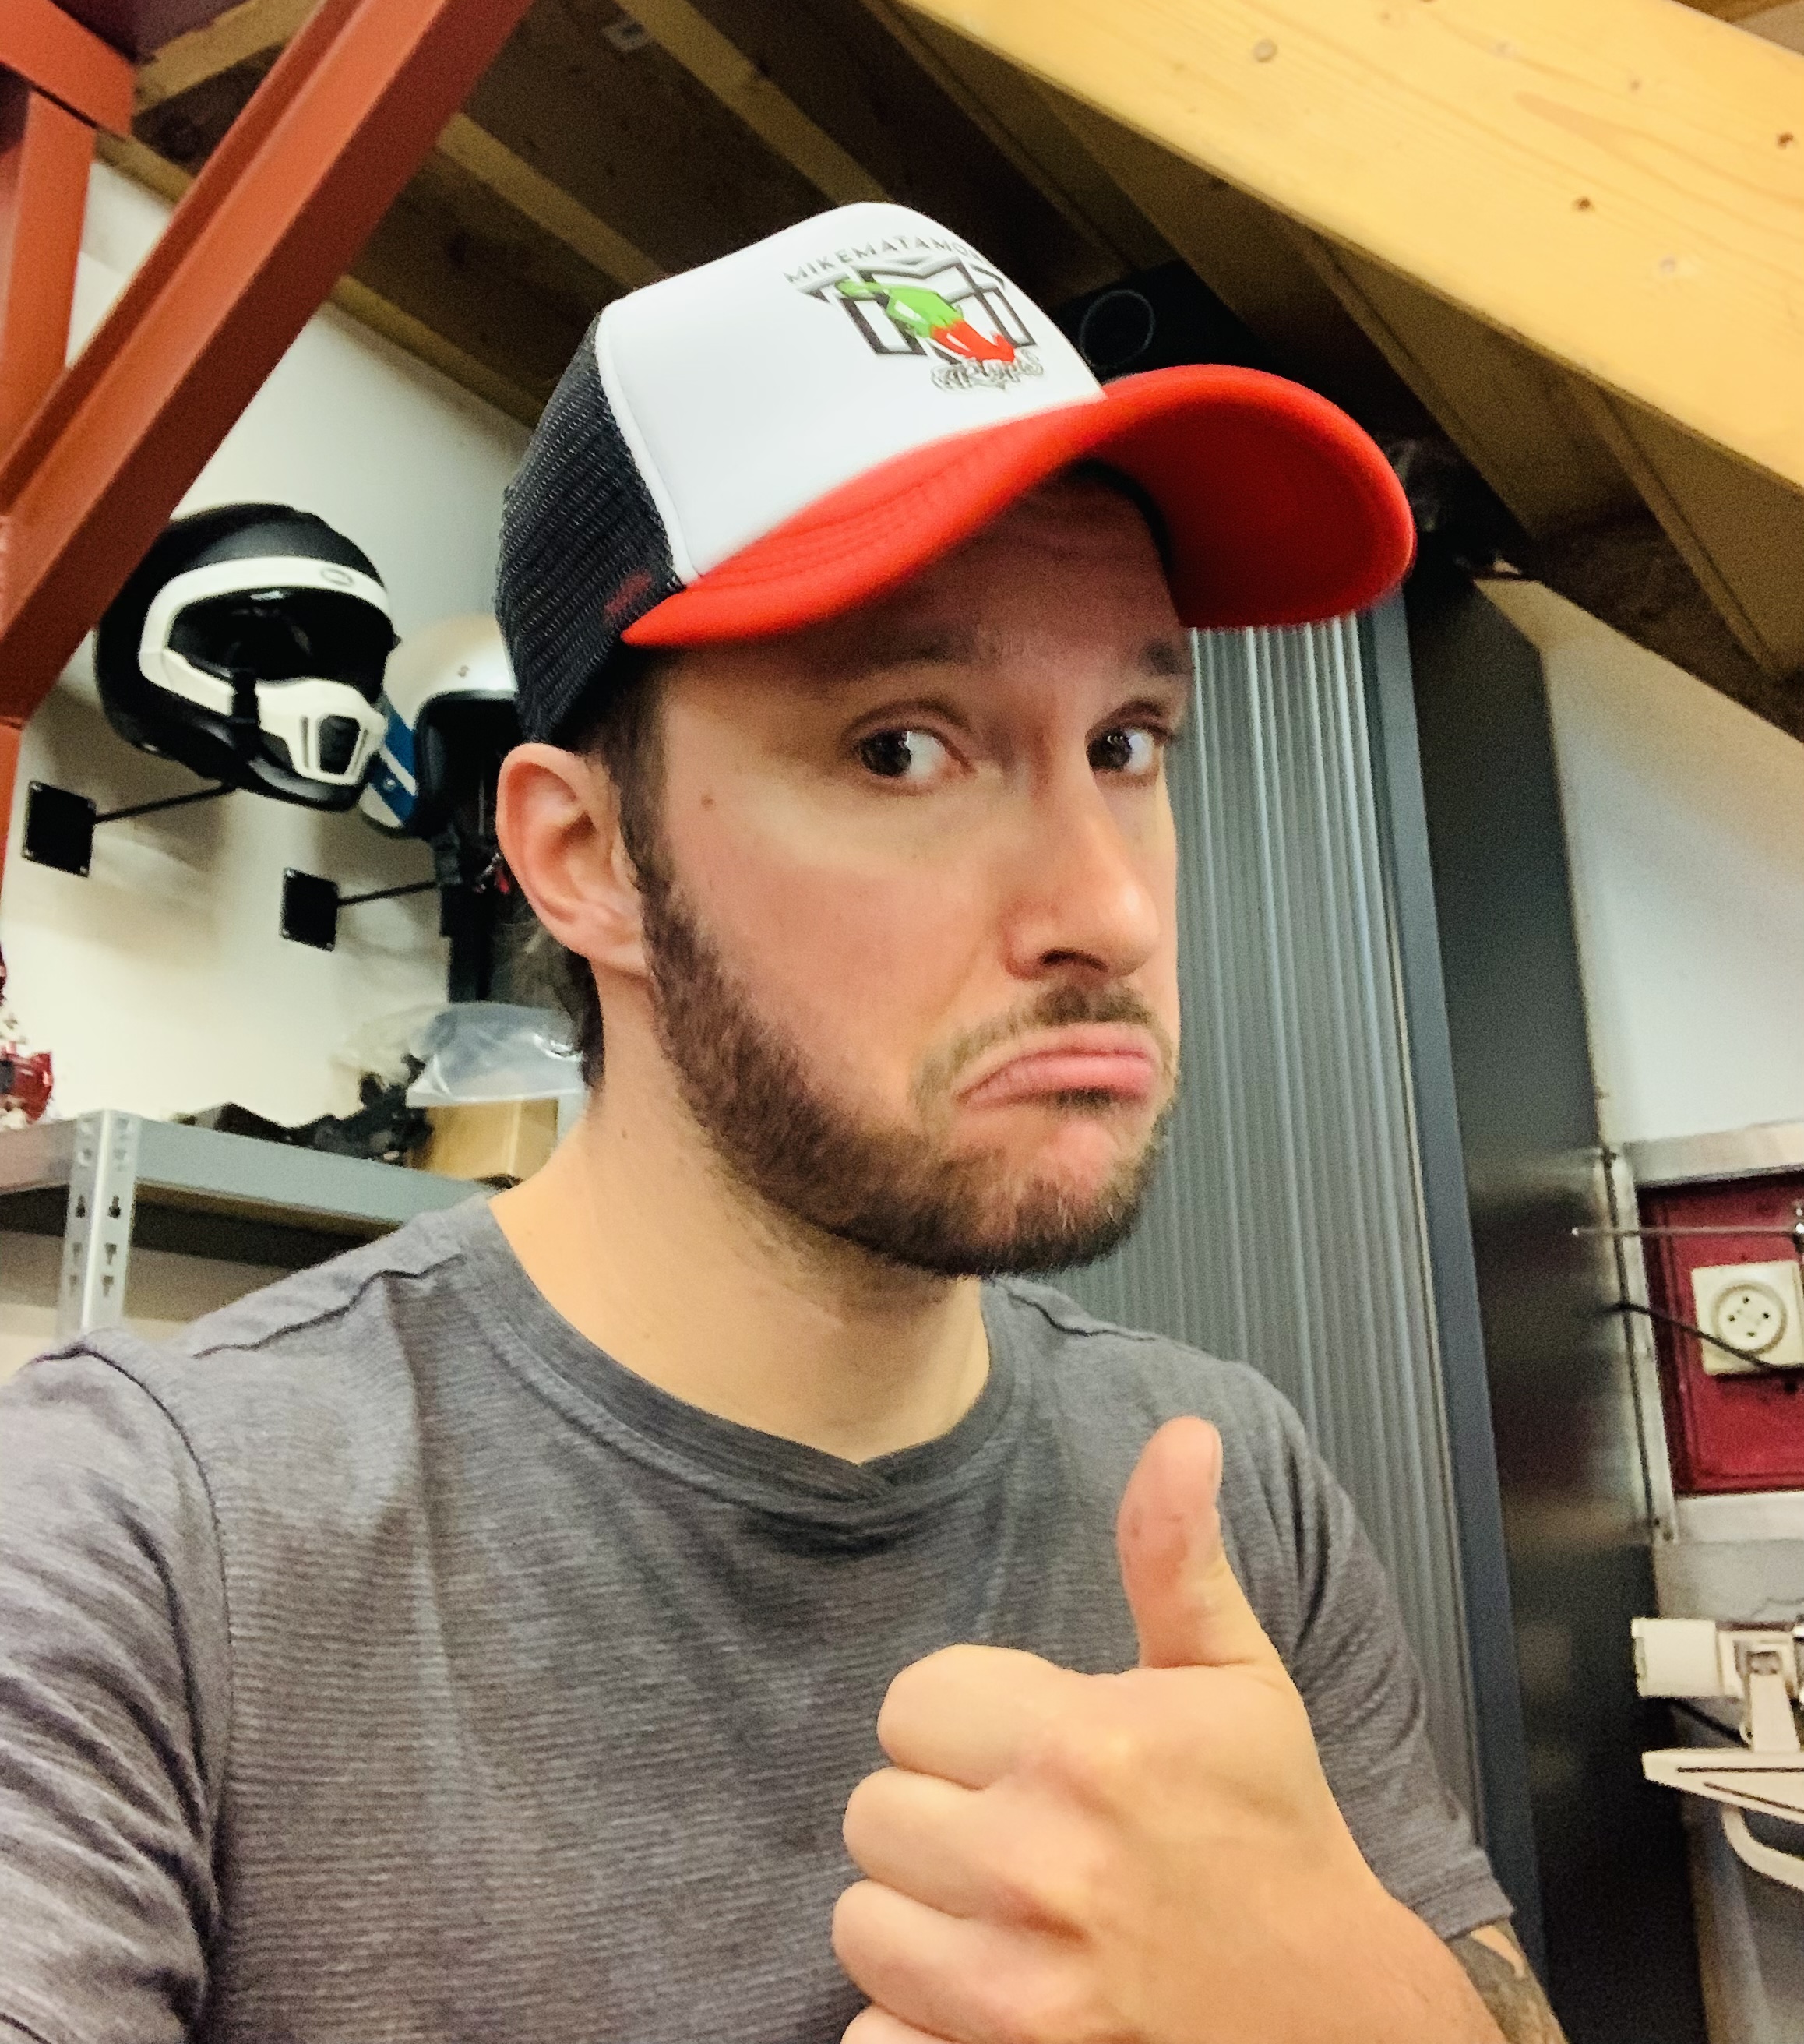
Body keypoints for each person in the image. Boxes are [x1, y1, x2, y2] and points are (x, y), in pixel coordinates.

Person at [0, 206, 1564, 2044]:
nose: (1113, 908)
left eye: (1129, 741)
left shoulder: (1225, 1482)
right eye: (905, 744)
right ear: (585, 855)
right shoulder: (138, 1534)